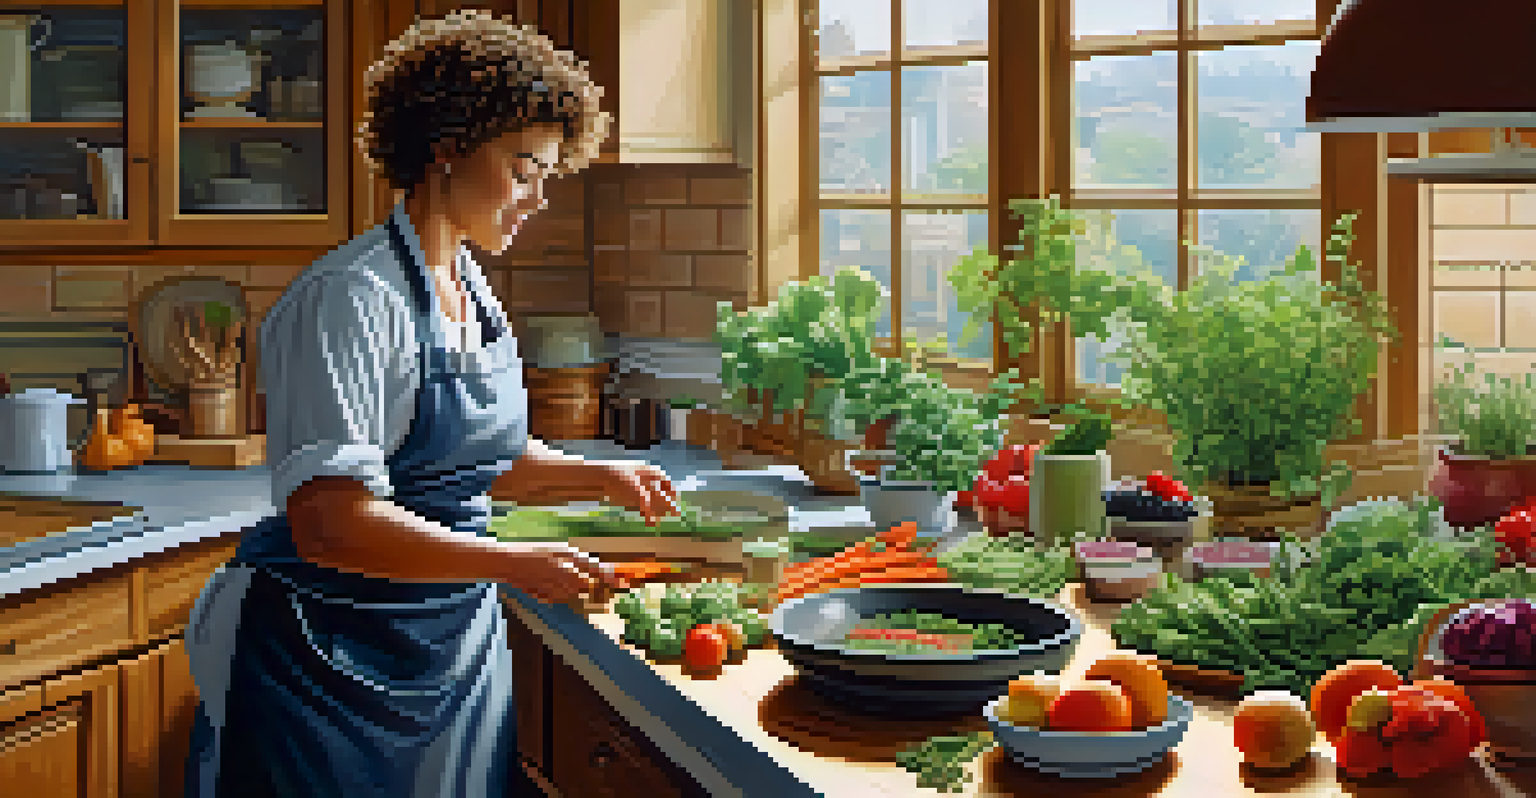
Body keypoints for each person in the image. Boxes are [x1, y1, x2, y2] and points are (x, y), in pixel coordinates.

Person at [181, 11, 679, 797]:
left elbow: (471, 459)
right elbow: (328, 522)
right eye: (523, 169)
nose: (537, 198)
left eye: (548, 175)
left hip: (447, 645)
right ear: (447, 146)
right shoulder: (350, 298)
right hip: (324, 656)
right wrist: (514, 562)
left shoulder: (471, 287)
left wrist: (599, 477)